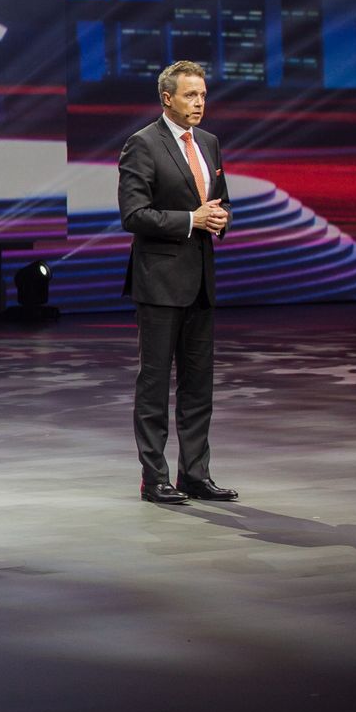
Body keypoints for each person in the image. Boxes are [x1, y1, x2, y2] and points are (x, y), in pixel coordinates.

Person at [117, 60, 238, 505]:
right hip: (160, 282)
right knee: (154, 384)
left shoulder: (209, 143)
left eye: (203, 95)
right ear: (167, 98)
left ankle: (195, 474)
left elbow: (219, 204)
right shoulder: (142, 145)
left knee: (198, 383)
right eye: (190, 95)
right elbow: (134, 215)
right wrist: (192, 219)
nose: (199, 103)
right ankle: (154, 478)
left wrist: (221, 218)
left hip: (202, 281)